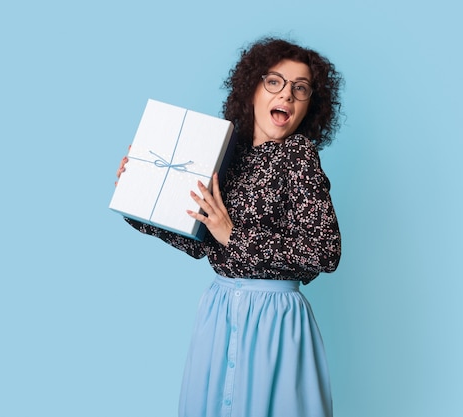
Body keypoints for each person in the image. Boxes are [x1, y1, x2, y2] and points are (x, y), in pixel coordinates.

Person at [115, 36, 343, 417]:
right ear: (252, 87)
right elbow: (199, 240)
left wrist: (235, 235)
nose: (286, 94)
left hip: (275, 318)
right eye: (275, 81)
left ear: (309, 106)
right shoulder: (226, 153)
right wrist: (135, 195)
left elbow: (325, 252)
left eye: (299, 88)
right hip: (219, 311)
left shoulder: (298, 156)